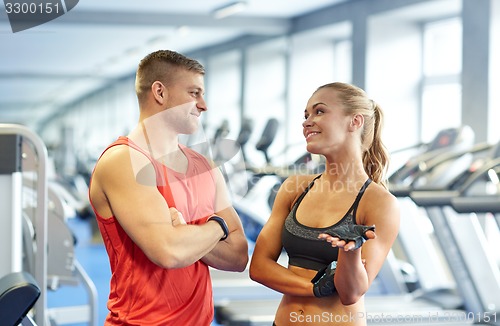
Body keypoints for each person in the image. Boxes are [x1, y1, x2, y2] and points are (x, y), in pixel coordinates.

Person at [88, 49, 249, 325]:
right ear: (160, 93)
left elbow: (239, 255)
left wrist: (185, 232)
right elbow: (169, 252)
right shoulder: (124, 161)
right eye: (194, 93)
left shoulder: (205, 167)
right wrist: (218, 227)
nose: (204, 105)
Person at [249, 82, 400, 326]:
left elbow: (350, 293)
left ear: (355, 121)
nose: (307, 121)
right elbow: (259, 267)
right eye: (306, 115)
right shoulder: (295, 187)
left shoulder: (379, 203)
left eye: (319, 111)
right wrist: (316, 288)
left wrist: (349, 252)